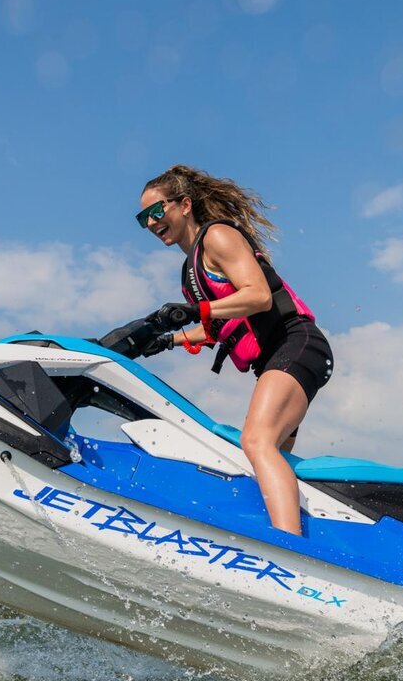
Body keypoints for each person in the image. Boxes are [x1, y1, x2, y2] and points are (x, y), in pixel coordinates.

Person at [134, 165, 333, 537]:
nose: (151, 222)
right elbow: (216, 328)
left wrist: (197, 310)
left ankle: (288, 548)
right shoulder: (190, 273)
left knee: (256, 441)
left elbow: (258, 296)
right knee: (272, 457)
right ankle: (316, 534)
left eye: (157, 211)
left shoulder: (218, 237)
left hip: (296, 343)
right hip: (275, 359)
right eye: (143, 218)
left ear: (185, 205)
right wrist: (165, 341)